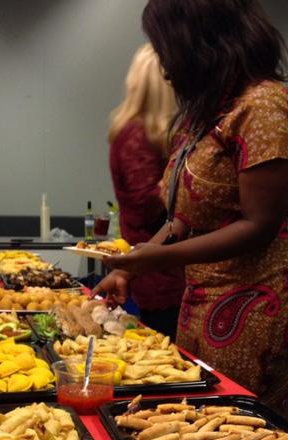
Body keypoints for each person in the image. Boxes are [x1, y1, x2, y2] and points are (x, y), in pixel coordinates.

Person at [94, 0, 288, 414]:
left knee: (234, 414)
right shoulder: (210, 110)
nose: (165, 68)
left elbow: (259, 224)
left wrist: (157, 257)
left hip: (262, 285)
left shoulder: (263, 105)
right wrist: (130, 267)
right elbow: (186, 215)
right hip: (208, 284)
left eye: (167, 51)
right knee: (196, 402)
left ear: (201, 44)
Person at [108, 44, 184, 339]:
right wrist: (182, 186)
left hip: (156, 263)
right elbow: (144, 203)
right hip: (157, 270)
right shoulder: (139, 134)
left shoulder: (141, 132)